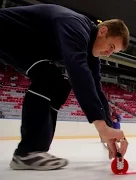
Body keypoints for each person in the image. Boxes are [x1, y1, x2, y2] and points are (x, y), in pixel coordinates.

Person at [0, 4, 129, 170]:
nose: (108, 54)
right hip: (7, 31)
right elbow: (77, 71)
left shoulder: (91, 52)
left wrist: (108, 130)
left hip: (27, 43)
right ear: (103, 31)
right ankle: (28, 152)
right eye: (111, 47)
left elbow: (96, 88)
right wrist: (100, 125)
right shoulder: (75, 26)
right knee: (49, 78)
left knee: (60, 86)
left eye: (114, 52)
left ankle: (35, 151)